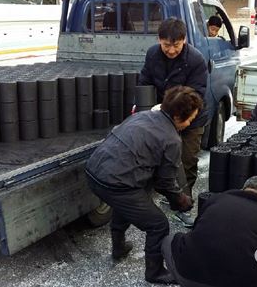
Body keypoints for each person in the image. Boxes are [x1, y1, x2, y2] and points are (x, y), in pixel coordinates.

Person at [85, 85, 203, 285]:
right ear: (177, 116)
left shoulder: (143, 116)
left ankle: (118, 248)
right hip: (115, 183)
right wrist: (180, 201)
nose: (191, 122)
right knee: (158, 224)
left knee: (131, 200)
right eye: (190, 118)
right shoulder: (172, 140)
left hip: (93, 172)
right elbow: (164, 183)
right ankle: (155, 272)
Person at [161, 176, 257, 287]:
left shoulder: (216, 199)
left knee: (169, 240)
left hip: (190, 276)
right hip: (244, 283)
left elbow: (196, 229)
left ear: (244, 189)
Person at [139, 17, 208, 227]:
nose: (170, 50)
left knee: (185, 161)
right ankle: (163, 194)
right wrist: (143, 111)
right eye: (166, 45)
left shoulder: (195, 60)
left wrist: (173, 111)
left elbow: (196, 95)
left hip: (190, 119)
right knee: (158, 159)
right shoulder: (152, 54)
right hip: (162, 116)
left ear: (184, 40)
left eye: (175, 45)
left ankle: (183, 206)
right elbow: (145, 83)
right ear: (159, 40)